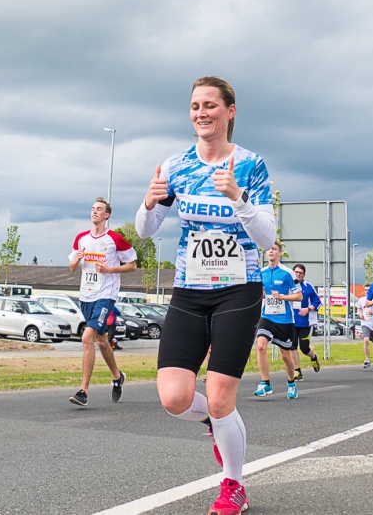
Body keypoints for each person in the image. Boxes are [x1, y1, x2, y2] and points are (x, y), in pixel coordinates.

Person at [136, 76, 275, 515]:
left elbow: (268, 233)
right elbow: (146, 232)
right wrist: (148, 203)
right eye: (195, 106)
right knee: (174, 398)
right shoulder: (175, 166)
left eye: (211, 105)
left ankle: (233, 484)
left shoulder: (250, 165)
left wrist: (238, 198)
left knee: (219, 397)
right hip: (190, 289)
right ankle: (219, 427)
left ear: (230, 111)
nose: (201, 113)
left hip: (239, 288)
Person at [68, 197, 138, 407]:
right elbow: (72, 267)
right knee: (101, 340)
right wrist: (77, 260)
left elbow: (132, 265)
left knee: (87, 337)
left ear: (106, 215)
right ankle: (118, 377)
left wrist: (111, 269)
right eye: (93, 209)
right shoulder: (81, 238)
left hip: (105, 295)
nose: (95, 212)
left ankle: (83, 391)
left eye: (99, 209)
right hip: (86, 296)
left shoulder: (115, 239)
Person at [253, 242, 302, 399]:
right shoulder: (262, 273)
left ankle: (291, 382)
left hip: (284, 319)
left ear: (280, 253)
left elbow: (299, 296)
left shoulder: (287, 273)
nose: (271, 252)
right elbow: (260, 293)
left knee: (285, 356)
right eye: (269, 250)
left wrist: (282, 297)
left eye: (274, 249)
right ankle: (265, 383)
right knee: (260, 346)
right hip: (267, 316)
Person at [290, 263, 322, 379]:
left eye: (300, 273)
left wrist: (308, 309)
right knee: (292, 346)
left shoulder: (308, 287)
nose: (298, 275)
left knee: (304, 348)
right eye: (296, 272)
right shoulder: (288, 286)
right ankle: (297, 371)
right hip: (291, 321)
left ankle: (313, 357)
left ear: (304, 275)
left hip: (305, 322)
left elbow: (317, 302)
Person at [358, 293, 373, 370]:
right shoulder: (361, 299)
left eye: (369, 290)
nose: (367, 292)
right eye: (366, 290)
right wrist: (360, 314)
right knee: (366, 340)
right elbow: (359, 308)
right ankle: (367, 360)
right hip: (365, 323)